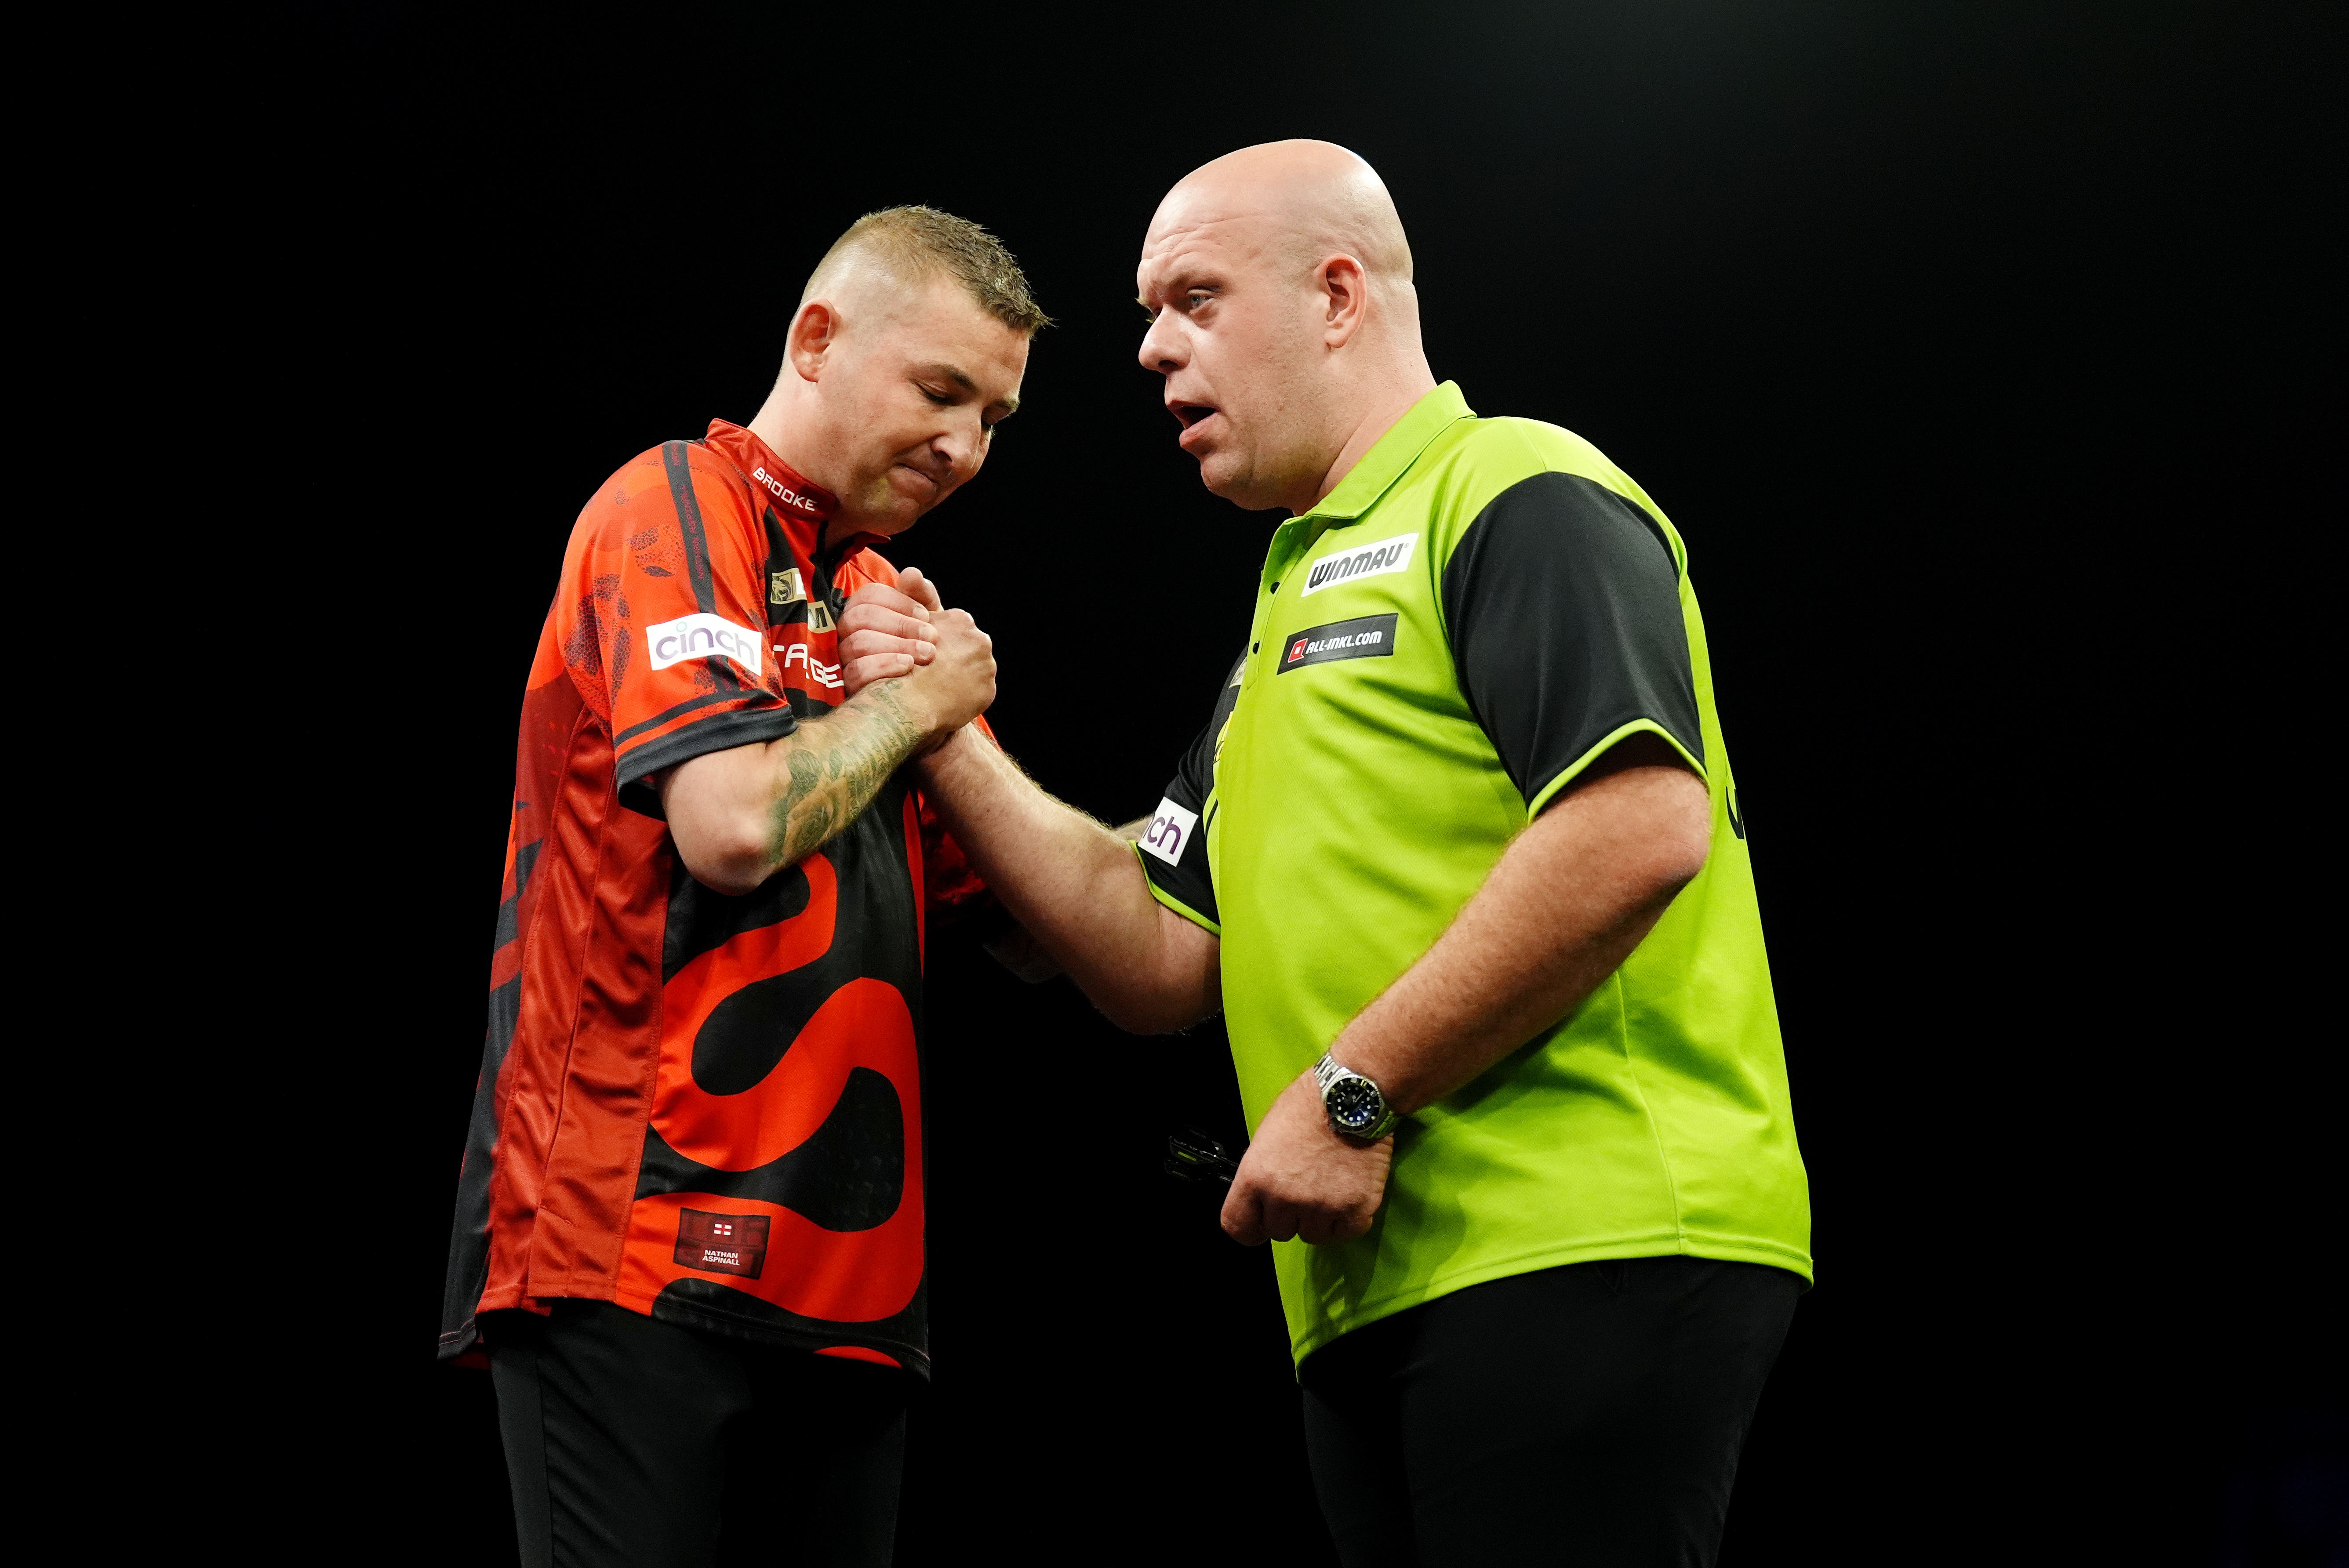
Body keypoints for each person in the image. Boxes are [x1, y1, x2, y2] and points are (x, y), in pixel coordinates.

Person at [845, 144, 1812, 1565]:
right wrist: (945, 731)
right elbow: (1159, 952)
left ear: (1340, 294)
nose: (1152, 348)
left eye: (1192, 299)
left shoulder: (1517, 487)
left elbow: (1639, 824)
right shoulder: (1287, 605)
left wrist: (1354, 1093)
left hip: (1586, 1234)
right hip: (1372, 1286)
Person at [439, 205, 1045, 1568]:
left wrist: (1219, 797)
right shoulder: (670, 503)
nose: (965, 446)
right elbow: (728, 827)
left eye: (996, 416)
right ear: (817, 340)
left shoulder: (889, 606)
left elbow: (1048, 931)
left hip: (852, 1299)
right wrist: (924, 706)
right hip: (627, 1257)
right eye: (941, 390)